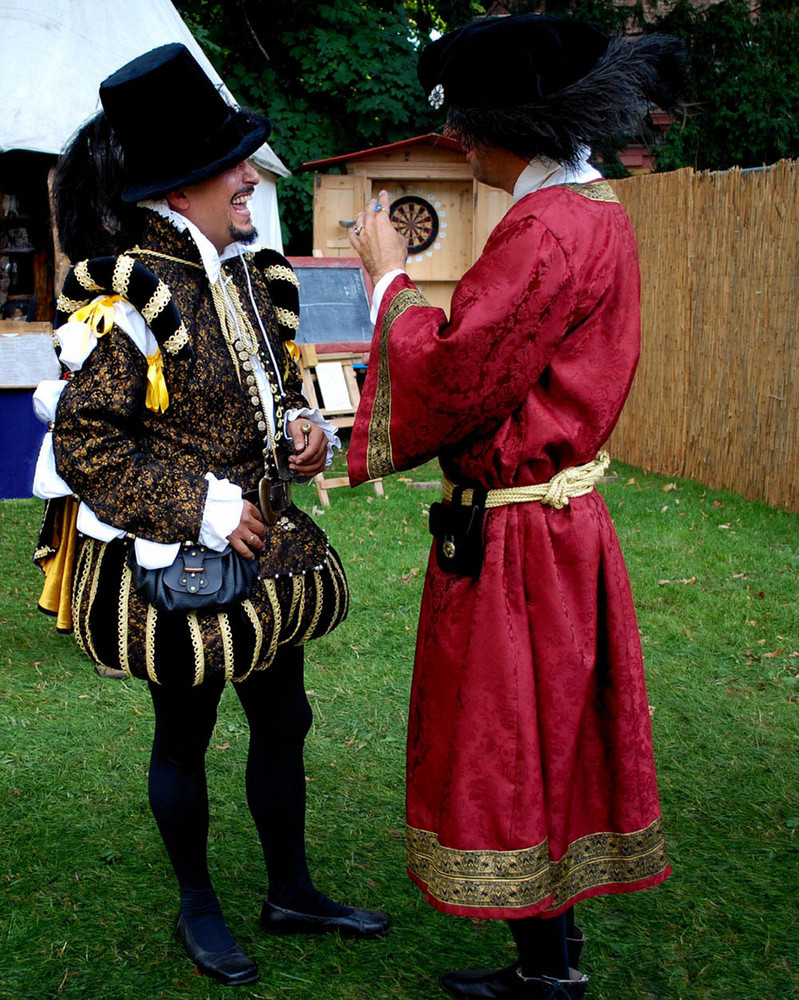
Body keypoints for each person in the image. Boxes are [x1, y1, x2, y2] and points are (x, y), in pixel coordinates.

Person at [33, 43, 390, 987]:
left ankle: (291, 890)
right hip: (186, 560)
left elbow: (266, 391)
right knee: (182, 738)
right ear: (178, 187)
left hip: (266, 552)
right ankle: (200, 906)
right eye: (231, 166)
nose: (249, 177)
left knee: (286, 721)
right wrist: (201, 504)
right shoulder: (129, 294)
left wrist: (304, 426)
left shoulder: (243, 272)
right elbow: (89, 445)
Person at [347, 14, 687, 1000]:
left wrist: (388, 289)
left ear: (516, 123)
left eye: (465, 126)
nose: (456, 143)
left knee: (514, 735)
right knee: (547, 735)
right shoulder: (596, 215)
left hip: (521, 535)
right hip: (554, 523)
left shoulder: (548, 229)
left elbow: (458, 380)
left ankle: (547, 974)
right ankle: (549, 961)